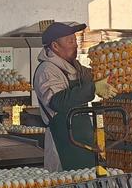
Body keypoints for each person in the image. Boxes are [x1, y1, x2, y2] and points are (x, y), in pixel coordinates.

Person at [32, 21, 110, 171]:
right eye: (70, 41)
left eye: (75, 40)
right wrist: (93, 88)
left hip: (82, 138)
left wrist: (109, 68)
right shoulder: (47, 70)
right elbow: (58, 101)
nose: (76, 45)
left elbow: (93, 76)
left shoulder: (74, 66)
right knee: (67, 183)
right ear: (55, 46)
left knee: (87, 180)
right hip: (62, 140)